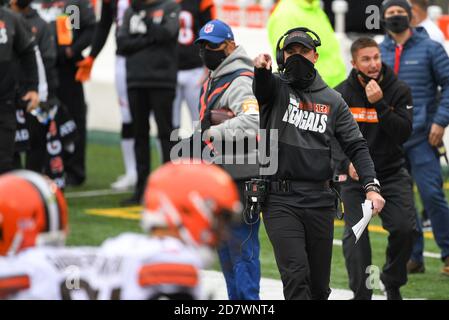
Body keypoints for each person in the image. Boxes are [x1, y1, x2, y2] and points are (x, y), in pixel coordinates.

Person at [253, 27, 385, 300]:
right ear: (282, 55)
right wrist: (261, 71)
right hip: (280, 199)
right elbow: (261, 88)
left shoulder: (333, 100)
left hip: (320, 200)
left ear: (315, 56)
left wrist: (371, 186)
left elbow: (356, 146)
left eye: (303, 51)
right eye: (291, 52)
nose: (297, 57)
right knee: (296, 277)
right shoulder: (274, 88)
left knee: (318, 288)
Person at [0, 163, 241, 299]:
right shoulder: (173, 262)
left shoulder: (120, 247)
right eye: (218, 219)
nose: (222, 232)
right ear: (189, 211)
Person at [333, 37, 416, 300]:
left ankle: (391, 281)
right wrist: (346, 163)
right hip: (355, 180)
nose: (373, 64)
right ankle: (362, 295)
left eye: (376, 57)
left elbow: (403, 133)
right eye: (366, 59)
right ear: (354, 62)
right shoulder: (340, 94)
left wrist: (381, 105)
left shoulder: (399, 89)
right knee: (356, 235)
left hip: (391, 174)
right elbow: (330, 138)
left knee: (406, 230)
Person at [379, 0, 449, 276]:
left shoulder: (431, 48)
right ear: (383, 20)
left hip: (422, 137)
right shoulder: (379, 52)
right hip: (391, 141)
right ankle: (414, 257)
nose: (395, 17)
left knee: (433, 196)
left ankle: (447, 253)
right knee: (402, 201)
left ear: (410, 16)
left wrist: (440, 122)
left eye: (400, 13)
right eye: (390, 14)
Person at [192, 19, 261, 300]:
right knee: (225, 247)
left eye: (213, 45)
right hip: (221, 174)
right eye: (203, 45)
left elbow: (253, 121)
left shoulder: (240, 79)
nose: (207, 50)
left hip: (242, 175)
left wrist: (213, 132)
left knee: (242, 248)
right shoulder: (218, 75)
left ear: (230, 45)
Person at [116, 0, 180, 205]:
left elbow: (166, 35)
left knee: (165, 133)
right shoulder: (130, 11)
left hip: (162, 80)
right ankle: (141, 189)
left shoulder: (170, 7)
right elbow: (122, 44)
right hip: (136, 80)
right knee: (139, 134)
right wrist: (150, 38)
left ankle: (168, 188)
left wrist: (145, 24)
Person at [32, 0, 96, 187]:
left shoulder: (74, 4)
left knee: (73, 116)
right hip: (40, 67)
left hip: (67, 68)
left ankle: (74, 169)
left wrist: (72, 50)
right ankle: (44, 166)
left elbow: (90, 28)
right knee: (40, 117)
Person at [75, 0, 138, 191]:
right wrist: (92, 55)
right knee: (127, 117)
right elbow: (104, 25)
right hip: (123, 58)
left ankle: (165, 172)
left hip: (152, 58)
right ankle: (132, 172)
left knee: (161, 119)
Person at [267, 0, 346, 88]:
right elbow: (286, 60)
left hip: (334, 86)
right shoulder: (285, 14)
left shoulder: (315, 8)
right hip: (313, 90)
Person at [0, 1, 39, 174]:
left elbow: (28, 52)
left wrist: (32, 87)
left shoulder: (11, 19)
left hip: (5, 104)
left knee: (4, 162)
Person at [172, 0, 216, 132]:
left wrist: (208, 67)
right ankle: (169, 153)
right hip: (170, 71)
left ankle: (199, 152)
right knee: (169, 125)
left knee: (200, 123)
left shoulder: (202, 2)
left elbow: (211, 35)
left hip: (195, 70)